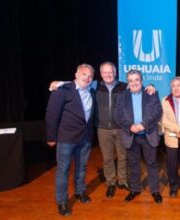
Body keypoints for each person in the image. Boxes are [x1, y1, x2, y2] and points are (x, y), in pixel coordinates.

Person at [49, 62, 155, 199]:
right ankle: (111, 182)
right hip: (102, 129)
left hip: (121, 128)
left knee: (123, 157)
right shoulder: (94, 85)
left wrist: (151, 85)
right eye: (105, 72)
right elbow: (77, 82)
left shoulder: (124, 86)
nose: (108, 75)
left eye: (110, 72)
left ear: (115, 73)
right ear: (100, 74)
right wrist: (58, 83)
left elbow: (138, 86)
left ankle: (122, 181)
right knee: (107, 158)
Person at [45, 64, 95, 216]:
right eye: (84, 74)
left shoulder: (91, 90)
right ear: (76, 74)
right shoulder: (62, 90)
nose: (87, 77)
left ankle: (80, 192)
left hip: (85, 138)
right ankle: (62, 201)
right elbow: (51, 114)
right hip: (66, 138)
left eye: (90, 76)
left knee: (82, 167)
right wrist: (51, 137)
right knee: (63, 170)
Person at [114, 69, 163, 204]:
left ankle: (154, 190)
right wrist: (130, 126)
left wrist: (143, 125)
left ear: (141, 80)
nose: (134, 83)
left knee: (152, 164)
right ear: (128, 82)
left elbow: (158, 112)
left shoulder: (151, 93)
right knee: (133, 164)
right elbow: (118, 116)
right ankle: (135, 189)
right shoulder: (121, 96)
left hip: (148, 134)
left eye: (137, 79)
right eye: (131, 80)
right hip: (131, 135)